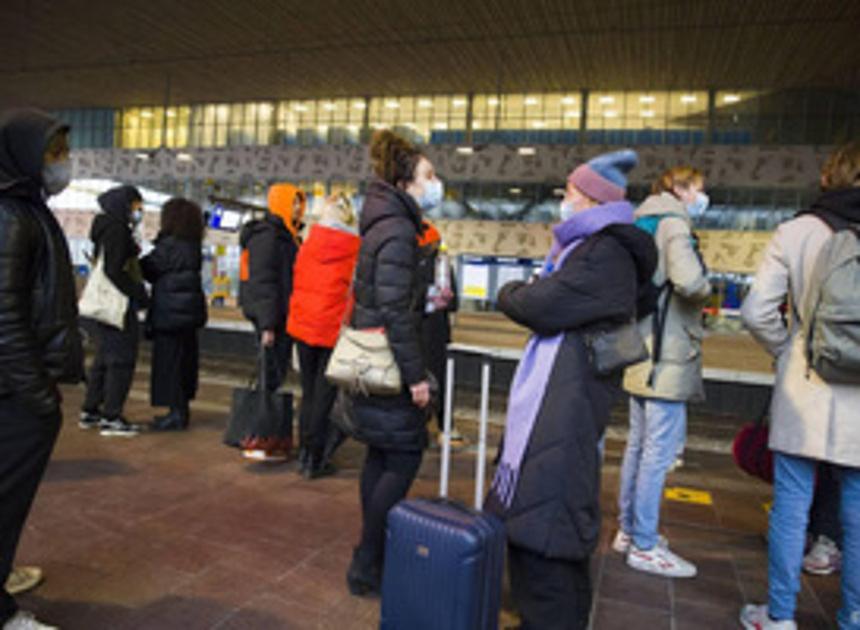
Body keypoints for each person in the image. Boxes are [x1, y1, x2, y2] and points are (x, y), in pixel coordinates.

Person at [484, 149, 657, 630]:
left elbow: (541, 304)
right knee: (543, 519)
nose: (564, 200)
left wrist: (509, 291)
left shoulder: (604, 252)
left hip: (566, 403)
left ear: (592, 199)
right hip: (566, 396)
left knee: (546, 528)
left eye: (571, 191)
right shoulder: (596, 249)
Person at [739, 142, 860, 630]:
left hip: (804, 386)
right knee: (856, 508)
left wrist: (787, 350)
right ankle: (853, 614)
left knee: (792, 502)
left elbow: (755, 310)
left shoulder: (797, 230)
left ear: (829, 177)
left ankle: (780, 616)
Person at [0, 108, 84, 630]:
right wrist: (38, 396)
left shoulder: (26, 209)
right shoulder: (10, 215)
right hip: (13, 393)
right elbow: (3, 315)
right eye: (54, 153)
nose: (63, 164)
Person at [346, 130, 439, 597]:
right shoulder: (400, 231)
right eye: (427, 175)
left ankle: (372, 555)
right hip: (391, 361)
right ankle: (367, 561)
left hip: (369, 356)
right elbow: (395, 311)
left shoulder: (378, 222)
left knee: (379, 453)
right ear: (405, 180)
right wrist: (416, 377)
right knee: (405, 453)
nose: (433, 183)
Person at [614, 166, 712, 578]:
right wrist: (708, 287)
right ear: (679, 189)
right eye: (699, 190)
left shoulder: (640, 220)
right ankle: (646, 544)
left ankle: (627, 530)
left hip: (637, 348)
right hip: (667, 353)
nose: (702, 199)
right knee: (656, 455)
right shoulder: (674, 224)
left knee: (637, 446)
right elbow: (688, 281)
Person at [287, 194, 360, 478]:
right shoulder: (353, 248)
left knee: (307, 392)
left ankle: (304, 452)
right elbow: (354, 293)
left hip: (304, 326)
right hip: (331, 331)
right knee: (324, 396)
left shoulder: (307, 243)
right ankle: (315, 458)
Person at [79, 184, 149, 437]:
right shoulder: (117, 230)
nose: (137, 212)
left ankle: (91, 410)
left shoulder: (104, 227)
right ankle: (112, 416)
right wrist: (138, 294)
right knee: (121, 361)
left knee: (103, 359)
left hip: (104, 307)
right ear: (124, 204)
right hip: (117, 306)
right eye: (135, 206)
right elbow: (114, 270)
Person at [141, 198, 208, 431]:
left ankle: (175, 414)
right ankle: (181, 410)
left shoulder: (169, 246)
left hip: (170, 313)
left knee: (170, 364)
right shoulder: (193, 245)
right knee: (185, 362)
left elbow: (148, 269)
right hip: (188, 313)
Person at [239, 183, 305, 393]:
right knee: (270, 374)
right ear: (280, 203)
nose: (297, 208)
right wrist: (267, 325)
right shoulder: (268, 237)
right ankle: (261, 419)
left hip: (283, 315)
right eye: (293, 202)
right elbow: (263, 281)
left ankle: (264, 419)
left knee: (275, 373)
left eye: (299, 203)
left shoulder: (289, 237)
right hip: (273, 318)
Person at [415, 220, 461, 446]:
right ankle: (445, 429)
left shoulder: (406, 260)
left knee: (414, 379)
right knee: (441, 380)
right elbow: (454, 303)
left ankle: (417, 428)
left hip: (412, 332)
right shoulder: (441, 262)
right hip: (437, 331)